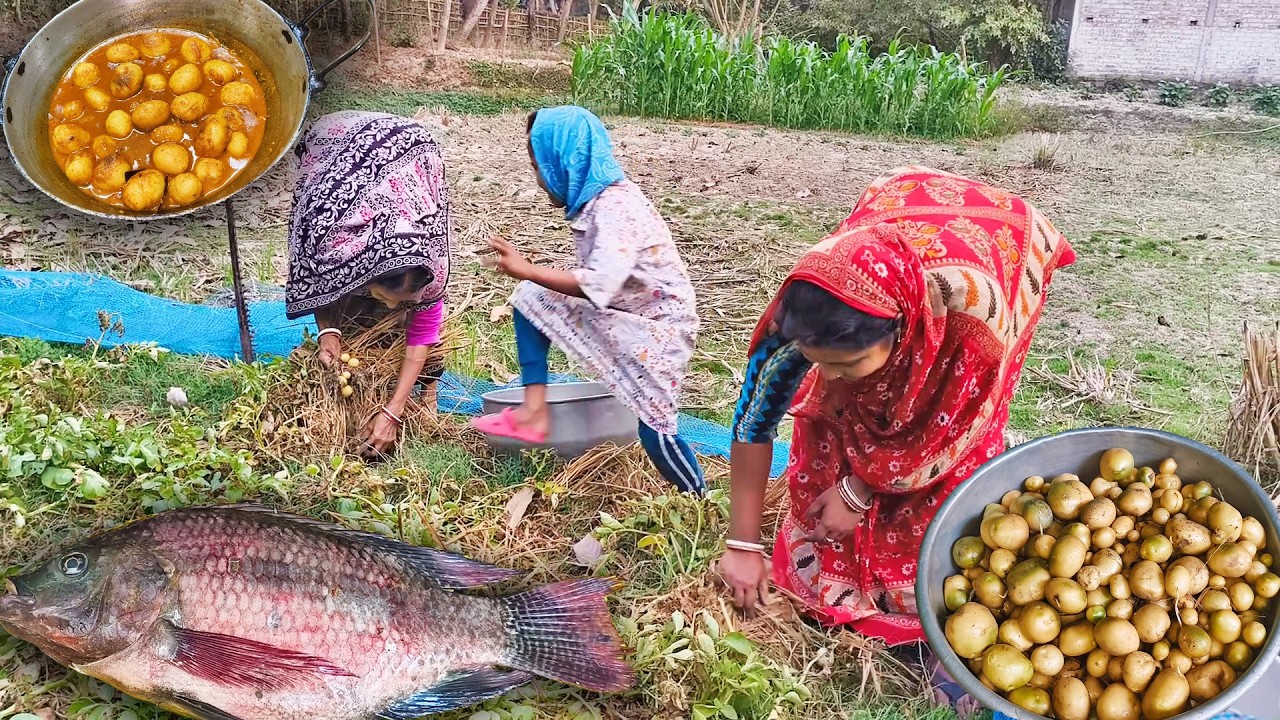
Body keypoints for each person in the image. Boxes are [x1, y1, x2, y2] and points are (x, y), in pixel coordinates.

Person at [717, 167, 1075, 707]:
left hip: (1000, 244)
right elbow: (753, 422)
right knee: (829, 424)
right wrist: (743, 543)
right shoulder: (800, 318)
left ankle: (918, 605)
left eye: (850, 363)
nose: (830, 378)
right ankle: (840, 581)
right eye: (818, 363)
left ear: (902, 330)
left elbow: (953, 430)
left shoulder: (975, 321)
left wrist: (861, 491)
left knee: (945, 450)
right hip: (895, 218)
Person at [473, 105, 705, 494]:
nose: (539, 178)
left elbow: (600, 284)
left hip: (660, 332)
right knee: (532, 300)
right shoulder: (599, 204)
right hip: (630, 318)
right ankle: (533, 412)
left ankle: (700, 502)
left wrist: (529, 269)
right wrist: (532, 280)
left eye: (539, 165)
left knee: (657, 432)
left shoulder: (615, 207)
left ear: (562, 160)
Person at [285, 111, 452, 460]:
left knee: (420, 323)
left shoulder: (432, 260)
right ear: (360, 271)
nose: (393, 308)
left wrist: (394, 410)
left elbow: (422, 331)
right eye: (385, 296)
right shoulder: (327, 236)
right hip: (335, 141)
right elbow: (315, 277)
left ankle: (430, 388)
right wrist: (327, 330)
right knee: (355, 314)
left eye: (404, 301)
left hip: (413, 152)